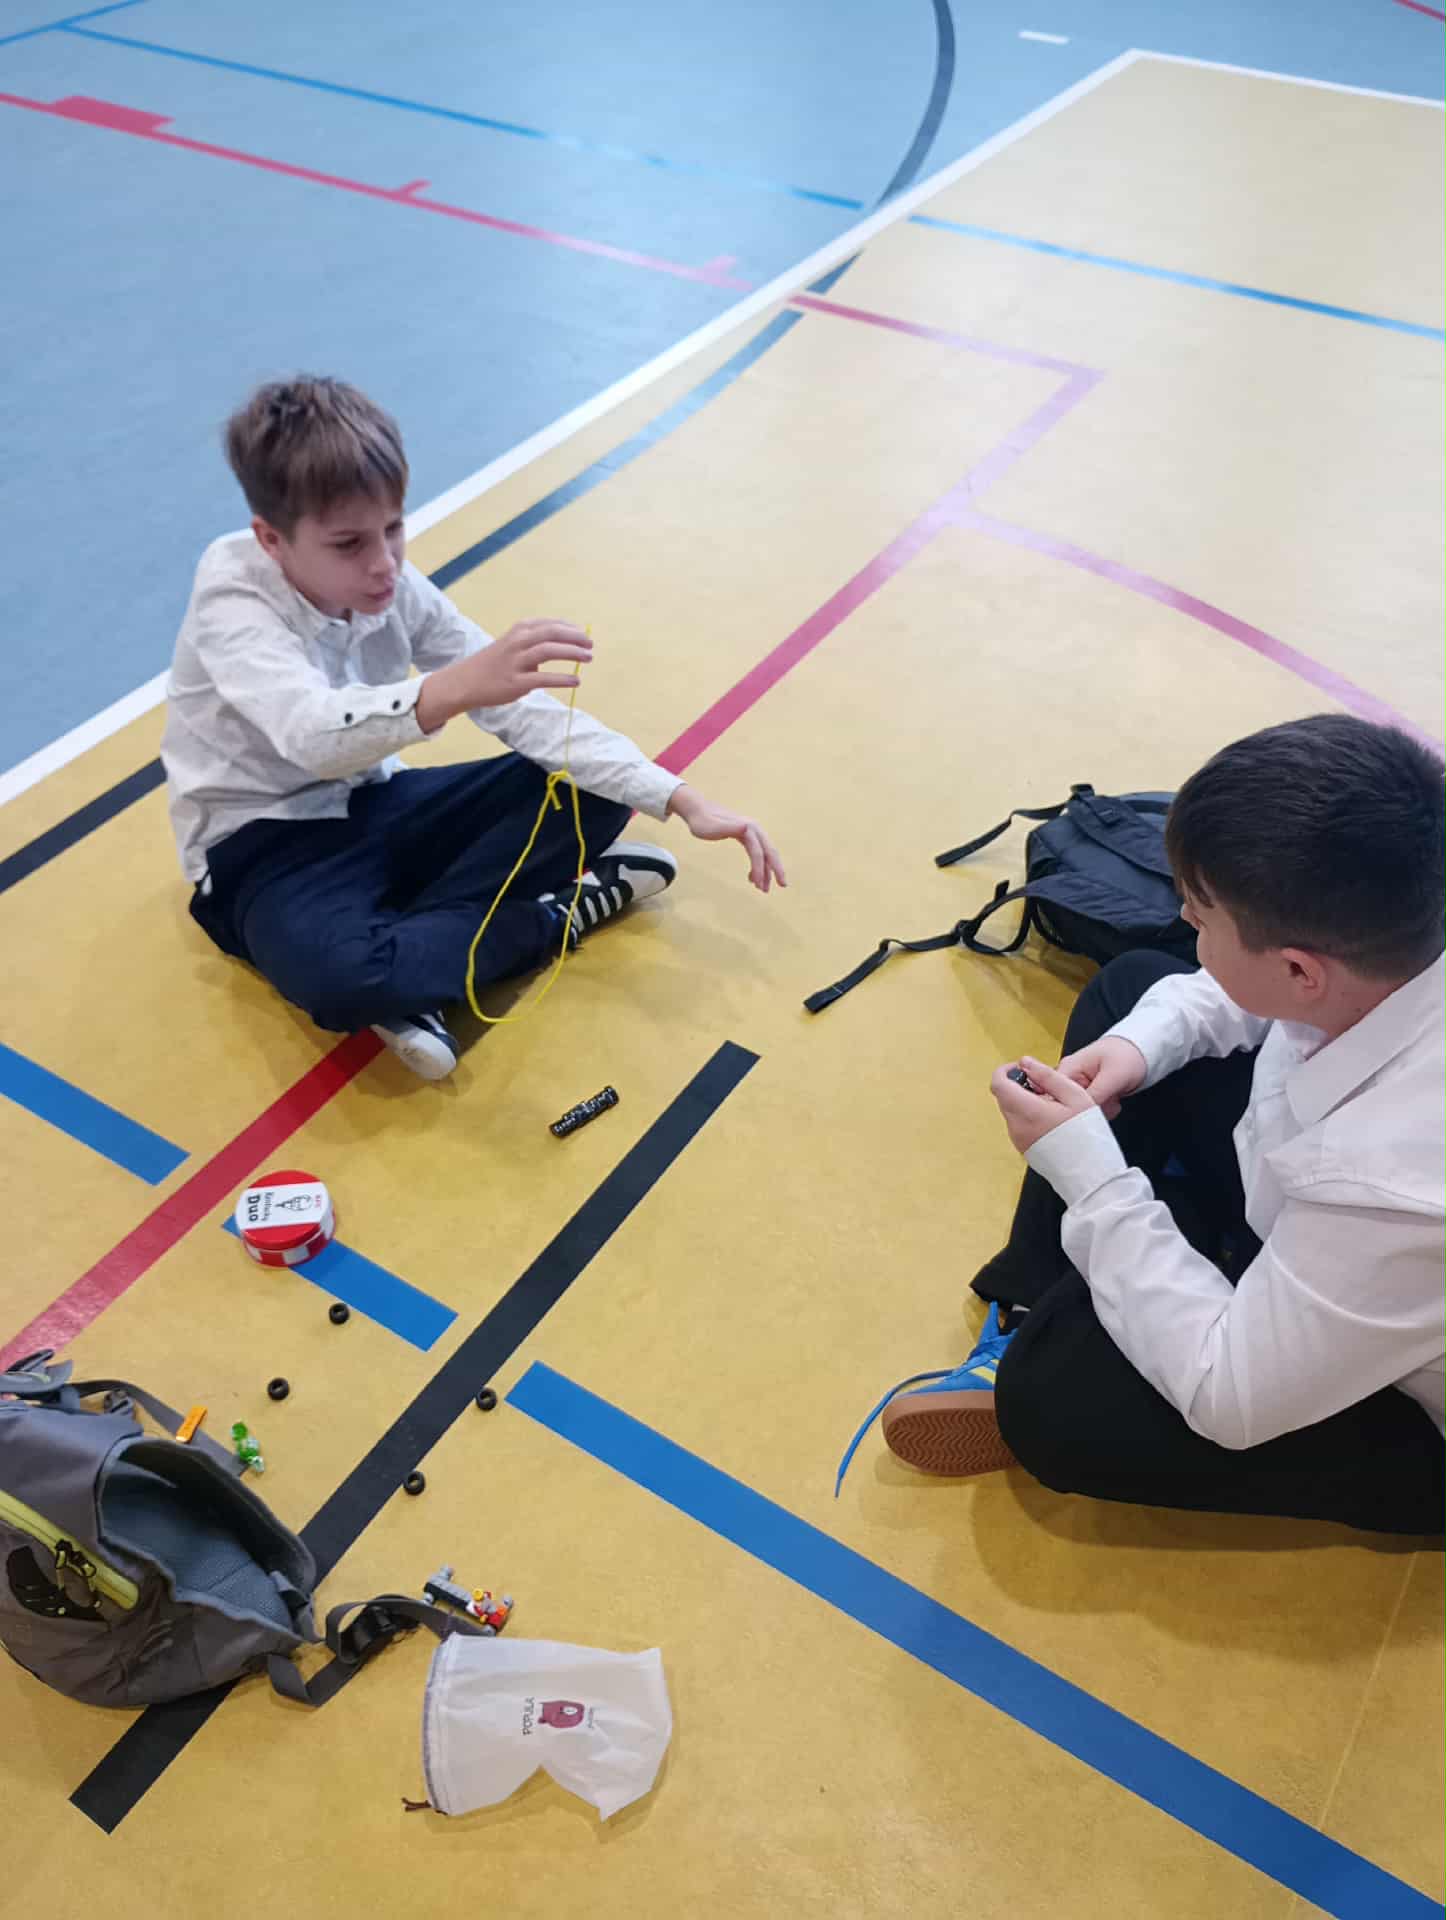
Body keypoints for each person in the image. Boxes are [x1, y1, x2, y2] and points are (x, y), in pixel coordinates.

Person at [842, 715, 1444, 1535]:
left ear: (1301, 969)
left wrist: (1097, 1184)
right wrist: (1137, 1049)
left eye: (1201, 916)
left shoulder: (1395, 1180)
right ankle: (1044, 1304)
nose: (1186, 921)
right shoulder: (1394, 936)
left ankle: (1071, 1318)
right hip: (1329, 1225)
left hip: (1407, 1395)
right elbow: (1254, 998)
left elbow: (1229, 1396)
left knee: (1052, 1407)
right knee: (1135, 996)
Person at [162, 376, 785, 1079]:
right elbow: (309, 736)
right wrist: (454, 687)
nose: (384, 563)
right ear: (272, 541)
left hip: (374, 806)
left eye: (393, 528)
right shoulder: (232, 601)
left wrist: (681, 798)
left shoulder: (391, 586)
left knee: (595, 787)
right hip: (260, 850)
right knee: (346, 981)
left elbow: (527, 714)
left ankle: (424, 966)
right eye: (349, 544)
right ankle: (552, 918)